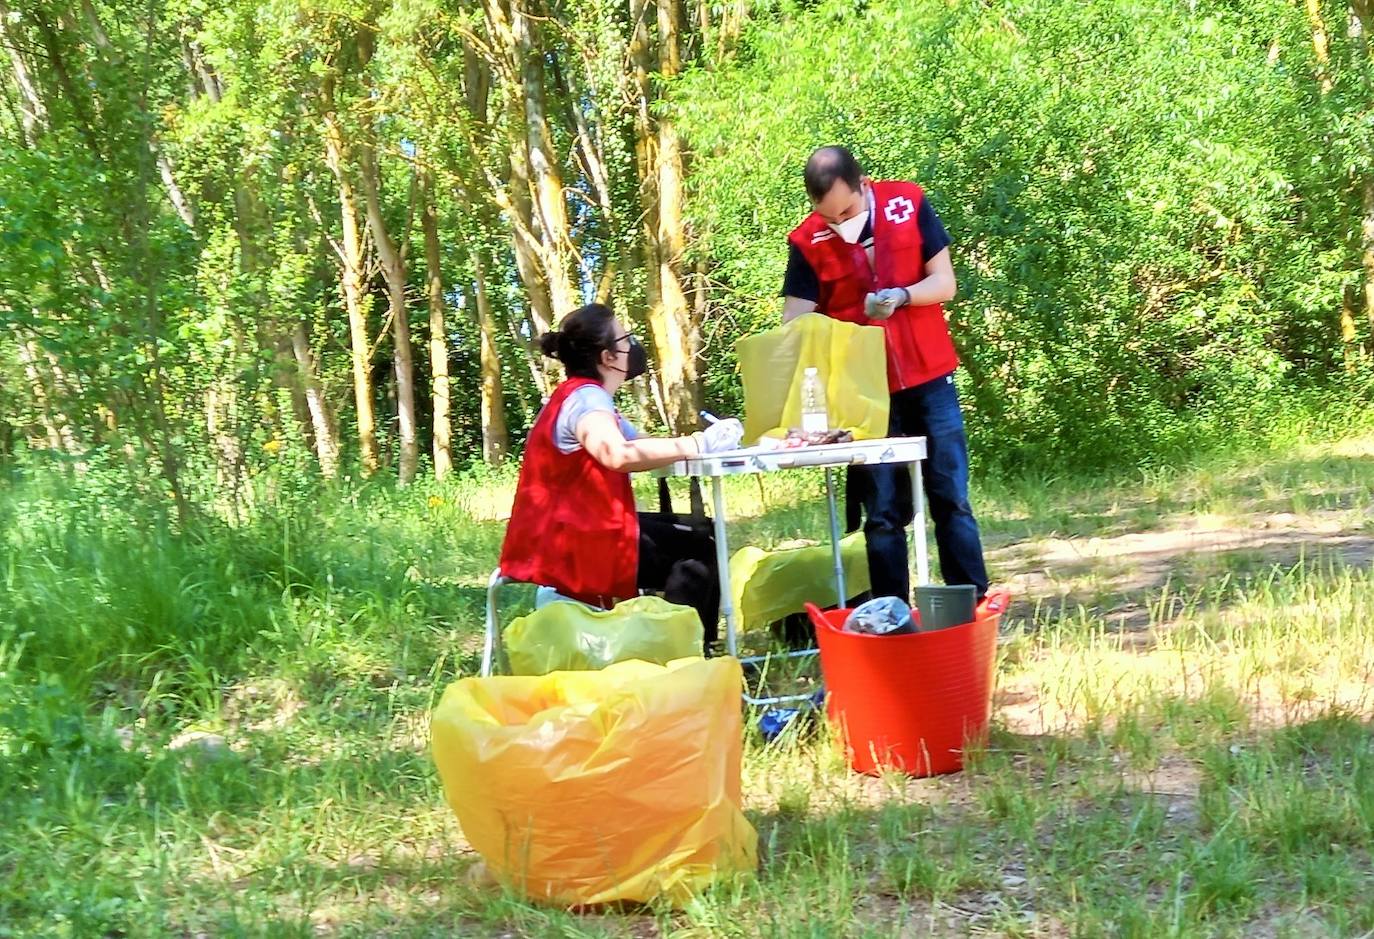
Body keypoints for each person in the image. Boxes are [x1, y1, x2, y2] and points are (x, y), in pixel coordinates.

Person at [780, 145, 989, 602]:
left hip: (931, 376)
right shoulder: (806, 242)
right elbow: (794, 325)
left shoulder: (908, 202)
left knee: (950, 496)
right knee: (882, 511)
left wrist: (902, 295)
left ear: (864, 184)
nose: (840, 223)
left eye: (847, 211)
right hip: (867, 394)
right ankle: (889, 612)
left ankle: (970, 604)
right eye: (829, 216)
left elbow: (945, 283)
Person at [499, 302, 744, 644]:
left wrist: (708, 442)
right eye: (625, 338)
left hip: (569, 532)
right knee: (699, 550)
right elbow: (616, 454)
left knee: (699, 530)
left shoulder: (583, 397)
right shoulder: (588, 402)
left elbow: (639, 443)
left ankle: (686, 645)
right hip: (575, 544)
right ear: (608, 357)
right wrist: (697, 444)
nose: (633, 346)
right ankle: (679, 655)